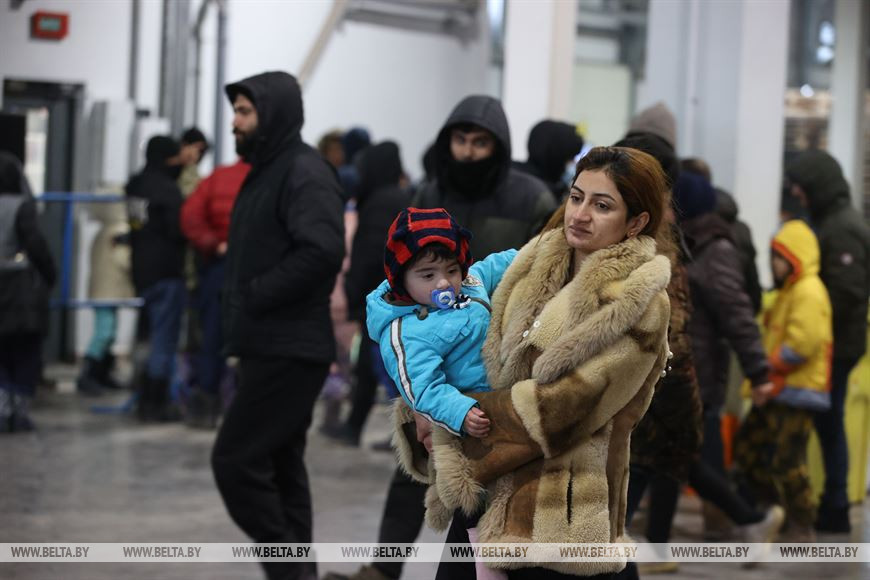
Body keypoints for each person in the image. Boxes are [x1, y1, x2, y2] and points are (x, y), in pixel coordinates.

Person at [325, 96, 555, 580]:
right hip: (444, 378)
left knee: (496, 490)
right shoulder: (430, 190)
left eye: (480, 142)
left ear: (499, 145)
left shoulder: (529, 197)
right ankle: (385, 568)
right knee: (420, 473)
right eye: (460, 139)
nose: (468, 151)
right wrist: (435, 406)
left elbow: (531, 271)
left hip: (504, 361)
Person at [421, 146, 674, 579]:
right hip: (484, 501)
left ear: (636, 222)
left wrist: (453, 418)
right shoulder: (528, 264)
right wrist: (425, 405)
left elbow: (560, 410)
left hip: (559, 517)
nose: (581, 214)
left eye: (602, 206)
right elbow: (466, 348)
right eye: (576, 197)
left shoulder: (640, 302)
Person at [210, 71, 344, 580]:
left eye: (245, 112)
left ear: (273, 114)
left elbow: (322, 250)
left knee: (235, 460)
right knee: (282, 467)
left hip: (288, 346)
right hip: (270, 342)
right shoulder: (269, 169)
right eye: (236, 111)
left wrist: (257, 294)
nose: (235, 122)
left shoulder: (303, 171)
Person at [368, 207, 516, 437]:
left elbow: (497, 265)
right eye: (428, 275)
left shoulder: (468, 284)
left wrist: (538, 250)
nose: (444, 283)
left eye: (452, 270)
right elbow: (423, 389)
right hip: (474, 409)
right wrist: (460, 412)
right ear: (401, 279)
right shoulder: (405, 331)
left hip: (509, 385)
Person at [786, 150, 870, 533]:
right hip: (832, 343)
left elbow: (847, 292)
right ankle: (827, 503)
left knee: (829, 423)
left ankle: (835, 506)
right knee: (825, 422)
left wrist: (808, 316)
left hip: (836, 347)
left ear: (817, 186)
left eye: (801, 187)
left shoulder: (842, 228)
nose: (796, 194)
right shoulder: (832, 222)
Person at [735, 219, 833, 542]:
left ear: (796, 257)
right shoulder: (790, 290)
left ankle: (801, 525)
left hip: (796, 390)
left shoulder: (808, 291)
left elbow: (801, 345)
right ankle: (773, 513)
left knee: (788, 461)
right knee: (748, 451)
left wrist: (767, 372)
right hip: (778, 388)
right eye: (774, 256)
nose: (774, 263)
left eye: (780, 257)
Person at [323, 142, 410, 446]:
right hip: (394, 297)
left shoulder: (378, 203)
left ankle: (394, 434)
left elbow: (370, 255)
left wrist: (356, 291)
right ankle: (362, 427)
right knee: (378, 366)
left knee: (378, 367)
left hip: (380, 298)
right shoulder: (399, 197)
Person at [180, 158, 251, 428]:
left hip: (220, 266)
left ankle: (206, 406)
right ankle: (247, 409)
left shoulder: (218, 177)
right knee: (258, 341)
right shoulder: (277, 177)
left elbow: (190, 216)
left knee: (212, 336)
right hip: (260, 268)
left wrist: (213, 243)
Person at [125, 136, 187, 422]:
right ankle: (155, 403)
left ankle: (143, 397)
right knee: (164, 338)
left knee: (146, 336)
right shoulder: (168, 190)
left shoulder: (135, 186)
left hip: (141, 269)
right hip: (166, 270)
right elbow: (177, 230)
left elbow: (137, 225)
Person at [0, 152, 56, 432]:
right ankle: (18, 410)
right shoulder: (21, 206)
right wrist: (50, 275)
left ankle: (1, 407)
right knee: (24, 350)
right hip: (18, 289)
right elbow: (36, 245)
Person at [514, 120, 584, 203]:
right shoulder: (543, 196)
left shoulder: (508, 173)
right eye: (571, 158)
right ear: (558, 158)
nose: (574, 163)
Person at [177, 127, 209, 197]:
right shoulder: (171, 172)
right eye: (196, 148)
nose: (197, 154)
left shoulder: (198, 179)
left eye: (200, 150)